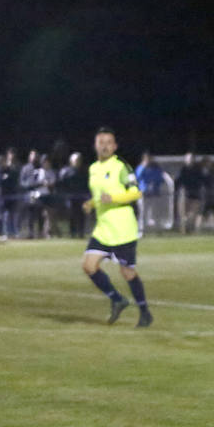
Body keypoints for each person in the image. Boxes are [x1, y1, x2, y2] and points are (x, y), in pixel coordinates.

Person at [81, 127, 153, 327]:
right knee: (88, 266)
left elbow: (136, 193)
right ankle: (117, 299)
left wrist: (114, 198)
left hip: (122, 229)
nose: (104, 146)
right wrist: (92, 204)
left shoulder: (121, 166)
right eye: (100, 142)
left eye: (108, 142)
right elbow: (100, 196)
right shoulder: (93, 168)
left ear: (114, 146)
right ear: (95, 145)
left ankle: (145, 312)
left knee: (127, 273)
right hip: (103, 229)